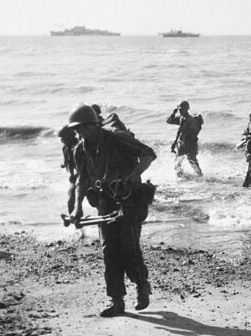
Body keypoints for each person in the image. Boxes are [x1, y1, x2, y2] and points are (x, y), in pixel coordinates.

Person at [66, 104, 156, 317]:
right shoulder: (81, 149)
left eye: (82, 129)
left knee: (129, 247)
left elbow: (148, 154)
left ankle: (142, 285)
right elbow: (82, 179)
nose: (79, 133)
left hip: (129, 200)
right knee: (109, 251)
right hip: (104, 202)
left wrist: (133, 176)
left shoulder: (116, 138)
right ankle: (117, 301)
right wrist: (77, 207)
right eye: (76, 130)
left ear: (93, 125)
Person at [166, 101, 203, 176]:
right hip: (182, 143)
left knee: (192, 161)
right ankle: (180, 177)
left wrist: (189, 135)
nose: (180, 111)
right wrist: (173, 113)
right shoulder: (181, 118)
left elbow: (196, 130)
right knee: (177, 162)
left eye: (181, 109)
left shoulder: (190, 119)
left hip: (191, 143)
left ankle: (200, 176)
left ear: (186, 110)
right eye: (179, 109)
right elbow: (169, 121)